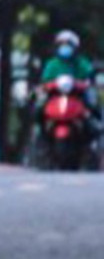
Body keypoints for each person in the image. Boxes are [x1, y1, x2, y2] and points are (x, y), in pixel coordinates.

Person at [32, 31, 95, 166]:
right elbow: (45, 81)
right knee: (38, 111)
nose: (65, 47)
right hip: (55, 98)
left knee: (92, 111)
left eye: (68, 44)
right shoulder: (52, 64)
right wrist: (47, 86)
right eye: (62, 44)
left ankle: (92, 145)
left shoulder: (81, 63)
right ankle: (40, 140)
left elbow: (89, 78)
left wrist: (84, 84)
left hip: (77, 97)